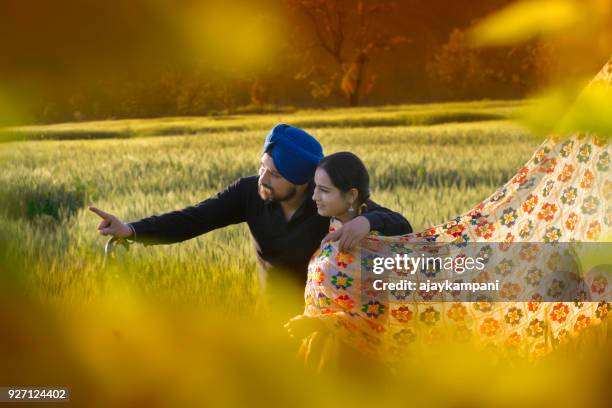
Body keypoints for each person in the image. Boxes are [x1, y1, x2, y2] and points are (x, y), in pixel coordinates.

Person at [286, 121, 611, 367]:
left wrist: (368, 221)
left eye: (324, 190)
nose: (314, 196)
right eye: (314, 188)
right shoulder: (324, 224)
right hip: (316, 354)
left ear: (352, 196)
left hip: (354, 361)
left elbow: (379, 305)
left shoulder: (380, 237)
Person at [89, 123, 413, 315]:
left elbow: (400, 224)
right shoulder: (248, 193)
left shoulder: (325, 199)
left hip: (322, 327)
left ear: (302, 181)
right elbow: (193, 219)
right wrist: (132, 229)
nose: (263, 179)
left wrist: (365, 222)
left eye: (273, 174)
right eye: (262, 166)